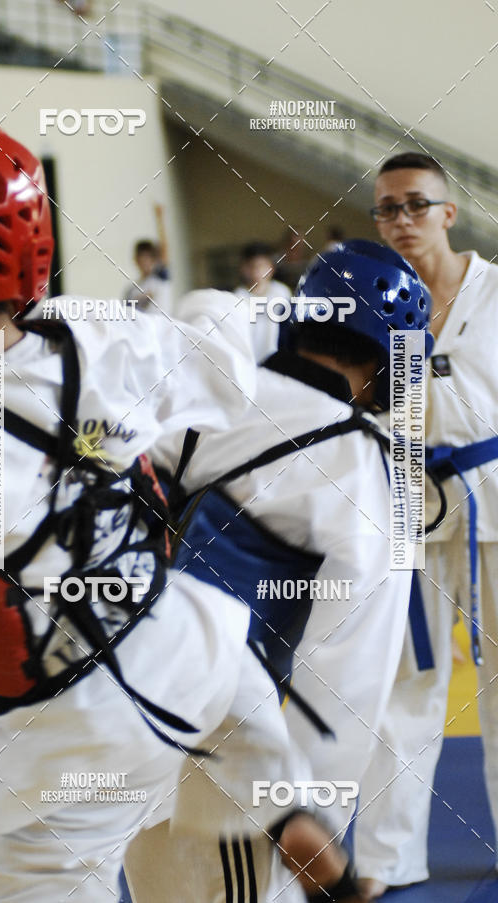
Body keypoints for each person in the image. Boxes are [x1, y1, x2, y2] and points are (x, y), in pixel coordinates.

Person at [0, 123, 343, 903]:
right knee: (213, 850)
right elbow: (225, 369)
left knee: (38, 877)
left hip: (81, 724)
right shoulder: (101, 336)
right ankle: (277, 805)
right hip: (199, 654)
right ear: (36, 246)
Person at [124, 240, 433, 903]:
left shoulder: (209, 391)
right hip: (227, 758)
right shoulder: (362, 467)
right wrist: (310, 815)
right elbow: (346, 673)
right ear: (390, 361)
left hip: (119, 712)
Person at [354, 152, 498, 899]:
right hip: (412, 503)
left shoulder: (495, 290)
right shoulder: (374, 300)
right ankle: (386, 856)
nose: (402, 219)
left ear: (448, 211)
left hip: (495, 496)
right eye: (387, 208)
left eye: (415, 204)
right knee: (407, 682)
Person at [235, 241, 292, 362]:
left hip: (278, 360)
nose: (257, 271)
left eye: (262, 266)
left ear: (271, 268)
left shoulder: (282, 292)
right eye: (252, 266)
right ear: (243, 269)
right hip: (250, 361)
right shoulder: (238, 297)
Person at [121, 205, 172, 315]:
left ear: (154, 259)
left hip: (162, 324)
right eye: (141, 259)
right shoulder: (131, 291)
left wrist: (160, 219)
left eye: (148, 258)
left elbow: (164, 250)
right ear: (136, 260)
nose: (144, 263)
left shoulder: (159, 277)